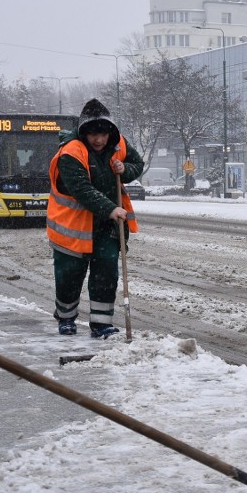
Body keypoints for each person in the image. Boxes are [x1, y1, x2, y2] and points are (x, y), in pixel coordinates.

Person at [46, 98, 144, 338]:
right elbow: (81, 189)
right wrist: (111, 208)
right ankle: (66, 318)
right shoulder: (70, 153)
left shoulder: (118, 143)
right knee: (69, 275)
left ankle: (101, 324)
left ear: (110, 131)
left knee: (106, 273)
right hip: (72, 228)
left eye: (102, 134)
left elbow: (137, 164)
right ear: (83, 133)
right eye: (92, 135)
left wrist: (126, 170)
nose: (98, 140)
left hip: (106, 228)